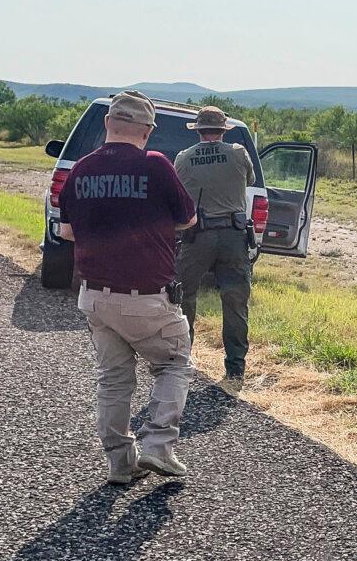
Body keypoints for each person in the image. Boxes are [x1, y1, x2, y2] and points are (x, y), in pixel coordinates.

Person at [57, 91, 197, 483]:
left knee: (114, 379)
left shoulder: (80, 170)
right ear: (147, 131)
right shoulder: (156, 166)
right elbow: (187, 218)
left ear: (107, 123)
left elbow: (67, 231)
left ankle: (121, 462)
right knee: (173, 364)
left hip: (95, 297)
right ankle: (158, 447)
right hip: (148, 296)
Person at [174, 106, 256, 384]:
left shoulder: (184, 158)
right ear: (223, 130)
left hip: (197, 236)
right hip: (233, 236)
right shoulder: (238, 153)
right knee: (234, 300)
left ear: (198, 131)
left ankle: (181, 358)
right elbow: (250, 180)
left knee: (184, 297)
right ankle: (235, 366)